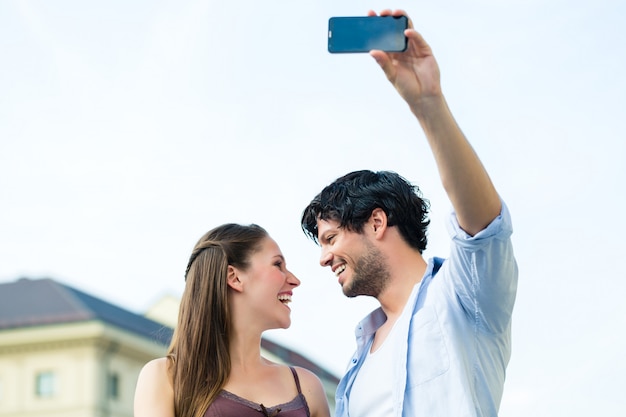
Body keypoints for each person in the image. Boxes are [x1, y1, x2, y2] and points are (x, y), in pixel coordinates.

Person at [300, 9, 518, 417]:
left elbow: (485, 227)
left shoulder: (463, 298)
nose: (323, 257)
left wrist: (428, 104)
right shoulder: (357, 362)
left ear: (377, 223)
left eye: (331, 238)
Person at [134, 223, 331, 417]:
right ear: (234, 277)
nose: (294, 280)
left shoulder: (307, 388)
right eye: (277, 264)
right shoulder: (164, 377)